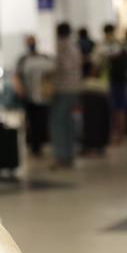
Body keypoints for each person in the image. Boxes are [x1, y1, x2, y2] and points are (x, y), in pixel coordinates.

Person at [13, 35, 54, 157]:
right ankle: (34, 146)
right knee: (31, 121)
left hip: (43, 96)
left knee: (41, 121)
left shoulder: (44, 57)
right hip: (29, 96)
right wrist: (20, 89)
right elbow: (17, 75)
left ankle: (39, 145)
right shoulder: (23, 59)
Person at [50, 22, 82, 168]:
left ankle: (61, 156)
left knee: (59, 124)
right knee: (69, 124)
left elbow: (59, 67)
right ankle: (69, 155)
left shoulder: (61, 47)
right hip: (74, 89)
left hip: (62, 89)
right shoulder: (75, 47)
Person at [95, 24, 127, 145]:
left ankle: (115, 135)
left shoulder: (102, 46)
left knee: (114, 109)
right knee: (121, 109)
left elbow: (97, 63)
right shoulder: (122, 44)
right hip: (122, 79)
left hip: (109, 81)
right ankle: (121, 136)